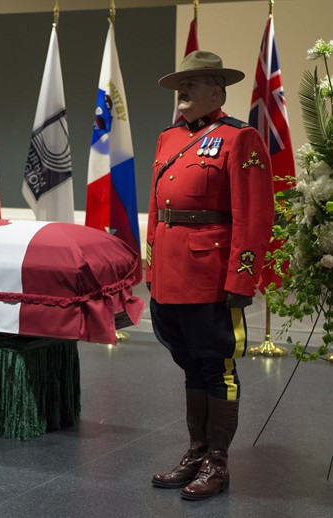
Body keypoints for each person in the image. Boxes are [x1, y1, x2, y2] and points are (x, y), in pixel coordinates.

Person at [145, 51, 275, 500]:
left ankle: (217, 462)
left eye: (193, 83)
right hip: (169, 274)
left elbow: (255, 216)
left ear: (216, 91)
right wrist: (151, 263)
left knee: (216, 366)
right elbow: (157, 209)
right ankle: (196, 452)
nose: (182, 91)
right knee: (190, 364)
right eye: (181, 83)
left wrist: (242, 280)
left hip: (209, 274)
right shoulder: (168, 137)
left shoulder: (241, 138)